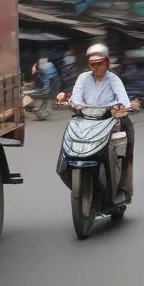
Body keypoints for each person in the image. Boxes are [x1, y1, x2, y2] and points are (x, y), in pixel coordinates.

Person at [58, 43, 136, 201]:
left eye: (99, 64)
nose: (96, 67)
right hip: (84, 122)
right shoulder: (82, 78)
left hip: (109, 122)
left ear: (106, 63)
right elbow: (76, 98)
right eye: (92, 64)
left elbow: (124, 102)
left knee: (123, 148)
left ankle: (121, 187)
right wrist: (70, 102)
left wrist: (120, 108)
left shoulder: (114, 79)